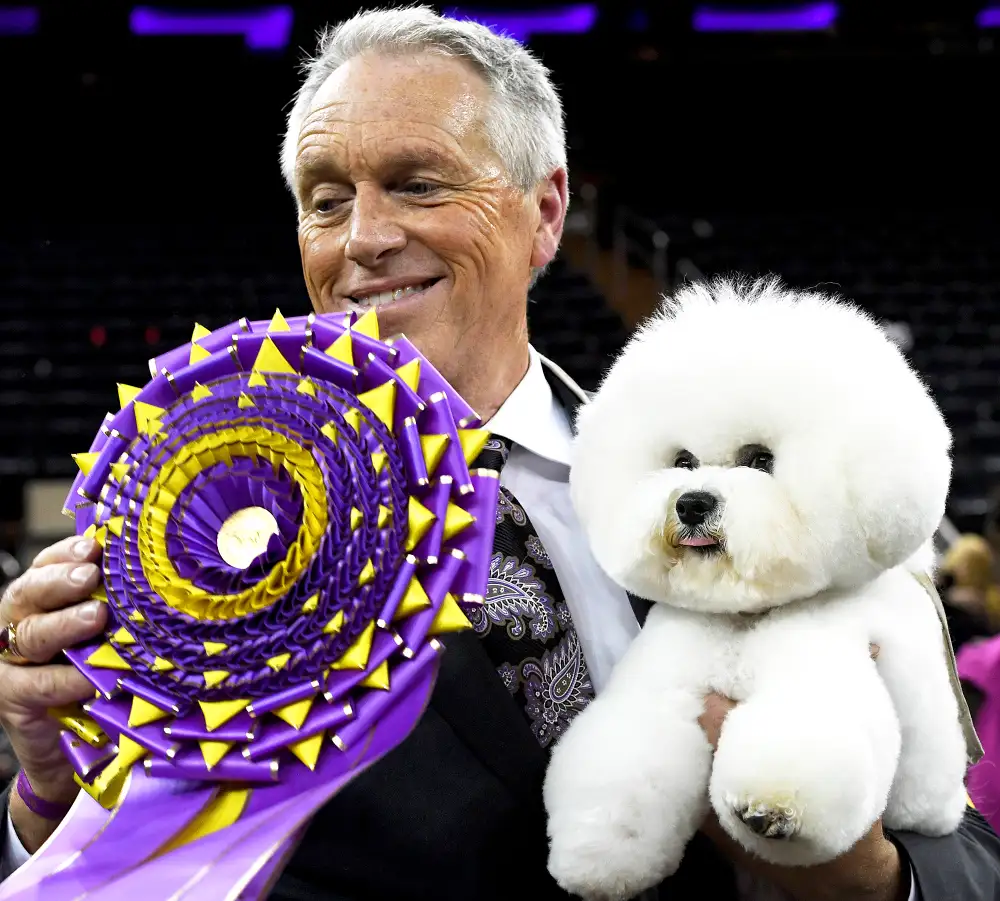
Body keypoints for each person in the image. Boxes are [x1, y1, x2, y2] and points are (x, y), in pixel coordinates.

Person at [1, 6, 998, 899]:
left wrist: (865, 876)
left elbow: (968, 863)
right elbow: (132, 875)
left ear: (547, 212)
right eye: (325, 199)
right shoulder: (202, 556)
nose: (363, 239)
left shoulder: (788, 498)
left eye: (416, 183)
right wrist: (51, 797)